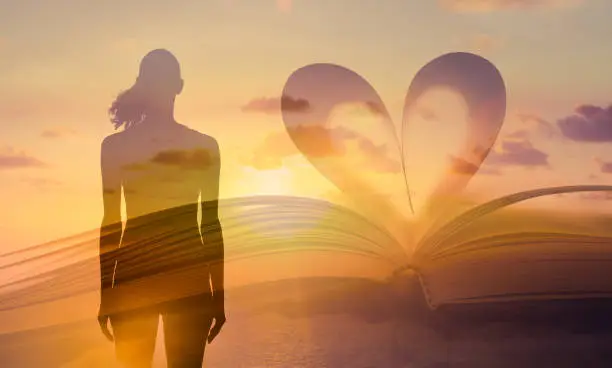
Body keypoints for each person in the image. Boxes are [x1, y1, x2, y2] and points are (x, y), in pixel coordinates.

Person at [97, 49, 225, 368]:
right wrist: (218, 296)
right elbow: (210, 223)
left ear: (141, 85)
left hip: (133, 277)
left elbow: (111, 222)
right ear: (179, 86)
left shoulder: (115, 148)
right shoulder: (204, 147)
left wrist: (107, 296)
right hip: (189, 277)